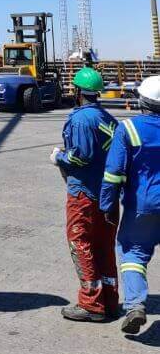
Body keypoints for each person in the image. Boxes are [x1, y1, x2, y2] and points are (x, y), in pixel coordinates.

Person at [50, 67, 119, 323]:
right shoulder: (109, 119)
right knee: (104, 246)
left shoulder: (80, 119)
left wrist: (58, 157)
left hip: (84, 195)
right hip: (108, 196)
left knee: (80, 242)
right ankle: (110, 300)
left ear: (78, 91)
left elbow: (80, 156)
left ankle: (91, 302)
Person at [100, 75, 160, 335]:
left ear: (142, 102)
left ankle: (136, 304)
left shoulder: (128, 129)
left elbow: (113, 173)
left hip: (143, 204)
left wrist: (107, 205)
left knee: (133, 252)